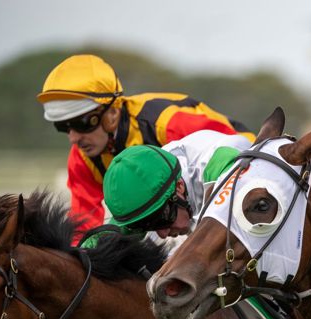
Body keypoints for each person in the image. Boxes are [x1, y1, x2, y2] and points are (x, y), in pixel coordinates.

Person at [37, 54, 256, 236]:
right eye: (63, 127)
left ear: (112, 113)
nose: (74, 138)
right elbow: (85, 226)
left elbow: (237, 156)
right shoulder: (82, 158)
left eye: (82, 123)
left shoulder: (169, 124)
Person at [101, 129, 252, 238]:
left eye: (161, 220)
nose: (162, 234)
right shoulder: (146, 192)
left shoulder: (219, 161)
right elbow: (104, 241)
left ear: (179, 186)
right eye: (149, 226)